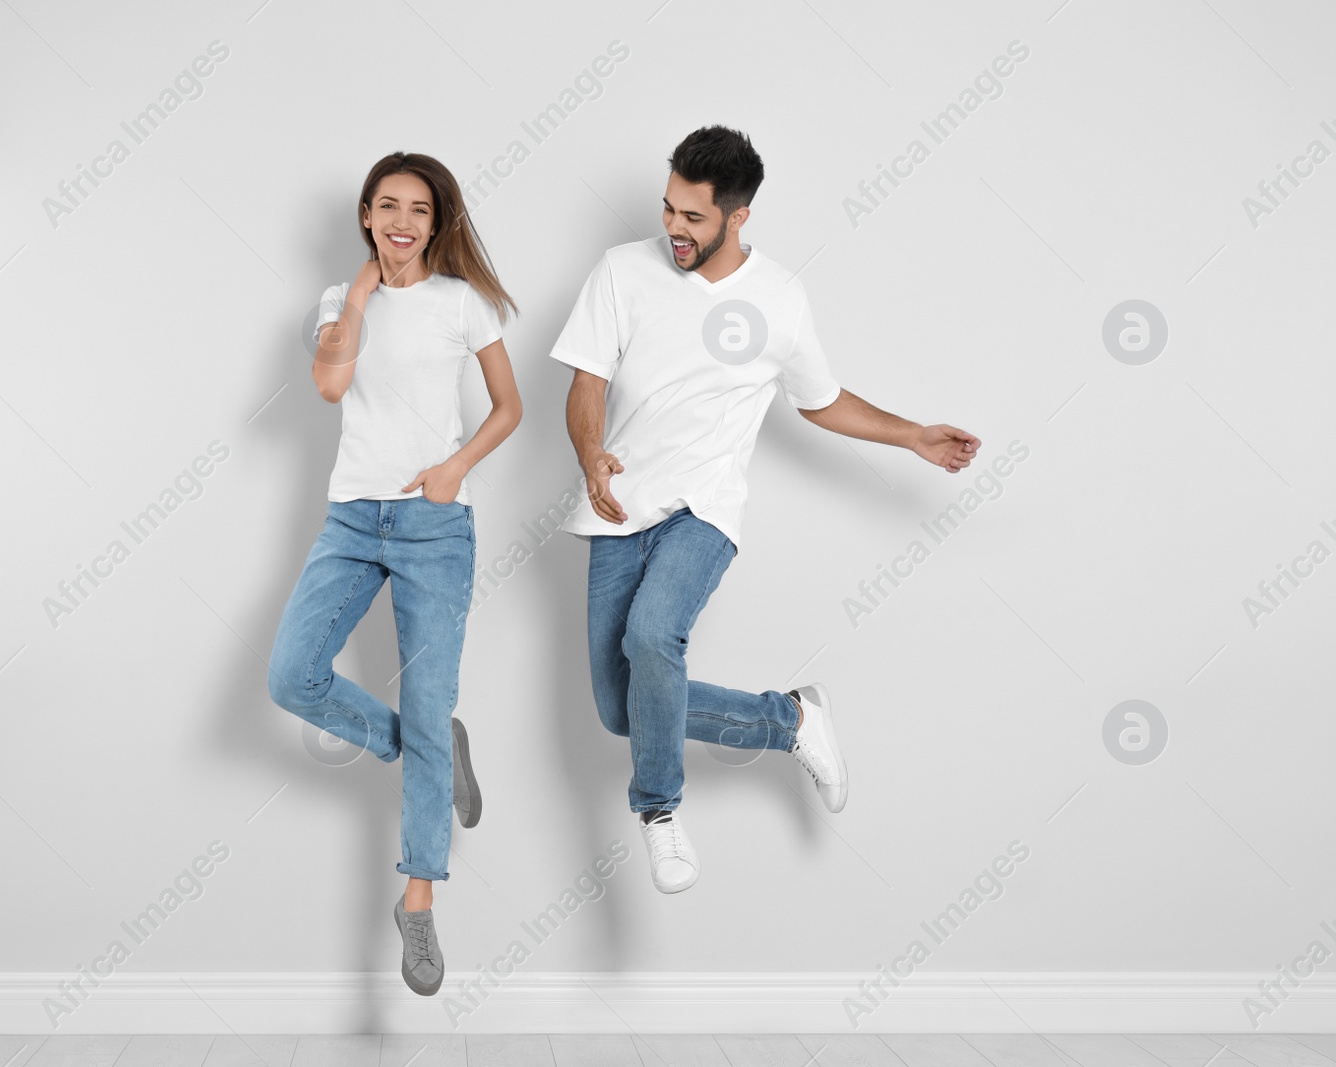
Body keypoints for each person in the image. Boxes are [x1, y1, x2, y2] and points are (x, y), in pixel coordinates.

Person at [551, 125, 979, 894]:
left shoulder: (779, 295)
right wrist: (590, 454)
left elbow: (822, 400)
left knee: (654, 636)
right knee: (623, 709)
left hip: (704, 510)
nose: (674, 230)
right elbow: (585, 384)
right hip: (617, 506)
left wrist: (911, 434)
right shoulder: (621, 271)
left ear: (737, 216)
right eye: (669, 210)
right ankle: (792, 721)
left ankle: (657, 812)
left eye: (693, 218)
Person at [267, 151, 521, 992]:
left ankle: (418, 903)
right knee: (291, 676)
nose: (402, 220)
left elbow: (509, 406)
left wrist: (454, 467)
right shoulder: (338, 307)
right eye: (387, 206)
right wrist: (363, 293)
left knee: (427, 689)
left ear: (438, 219)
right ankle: (430, 748)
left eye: (418, 207)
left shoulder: (464, 304)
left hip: (434, 526)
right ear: (367, 217)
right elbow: (332, 387)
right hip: (351, 519)